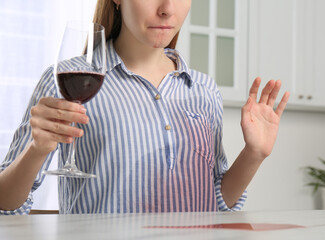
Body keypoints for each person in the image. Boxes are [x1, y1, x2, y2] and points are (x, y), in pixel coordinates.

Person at [0, 0, 289, 214]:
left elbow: (216, 203)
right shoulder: (65, 81)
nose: (167, 8)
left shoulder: (204, 89)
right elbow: (6, 205)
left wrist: (254, 154)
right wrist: (36, 150)